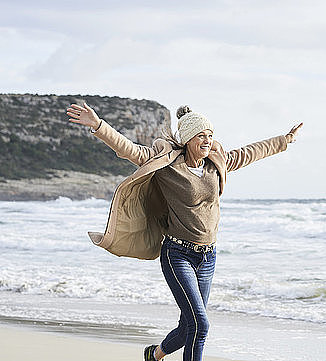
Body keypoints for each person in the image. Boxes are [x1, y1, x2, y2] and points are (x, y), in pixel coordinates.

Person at [66, 102, 303, 361]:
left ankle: (154, 355)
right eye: (202, 135)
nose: (208, 140)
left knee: (188, 325)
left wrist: (284, 140)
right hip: (177, 254)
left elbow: (250, 152)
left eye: (210, 135)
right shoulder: (168, 164)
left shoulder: (215, 162)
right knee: (200, 326)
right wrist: (98, 125)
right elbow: (129, 150)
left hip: (208, 257)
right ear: (188, 138)